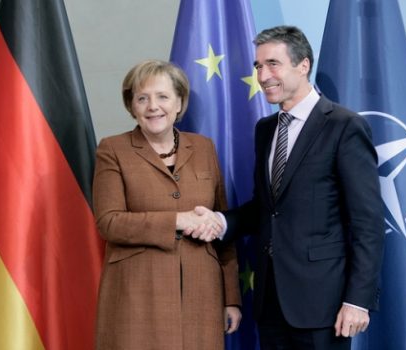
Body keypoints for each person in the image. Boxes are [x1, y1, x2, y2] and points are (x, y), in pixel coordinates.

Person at [188, 25, 384, 350]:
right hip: (271, 302)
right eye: (258, 66)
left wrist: (358, 300)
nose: (263, 76)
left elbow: (368, 222)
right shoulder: (266, 130)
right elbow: (266, 209)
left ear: (303, 65)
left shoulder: (344, 127)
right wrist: (221, 222)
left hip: (324, 306)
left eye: (273, 64)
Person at [92, 60, 242, 350]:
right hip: (137, 296)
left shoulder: (203, 147)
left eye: (163, 97)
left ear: (179, 102)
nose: (153, 106)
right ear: (131, 106)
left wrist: (231, 297)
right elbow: (108, 222)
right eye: (142, 98)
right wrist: (178, 220)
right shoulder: (112, 149)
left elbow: (221, 226)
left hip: (203, 297)